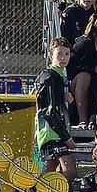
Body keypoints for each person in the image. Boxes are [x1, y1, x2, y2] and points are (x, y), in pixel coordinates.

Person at [34, 37, 77, 183]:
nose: (63, 57)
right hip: (51, 133)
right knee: (69, 170)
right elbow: (50, 112)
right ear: (50, 56)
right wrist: (66, 137)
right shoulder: (51, 78)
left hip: (52, 132)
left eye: (67, 54)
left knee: (49, 172)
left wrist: (69, 101)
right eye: (59, 54)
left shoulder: (59, 76)